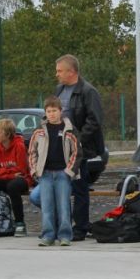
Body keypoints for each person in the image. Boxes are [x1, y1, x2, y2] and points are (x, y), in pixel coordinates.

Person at [54, 54, 104, 241]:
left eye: (60, 71)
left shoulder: (88, 91)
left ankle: (80, 228)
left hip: (81, 150)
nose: (57, 74)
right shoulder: (59, 90)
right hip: (60, 149)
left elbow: (94, 120)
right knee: (60, 188)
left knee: (80, 188)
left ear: (71, 71)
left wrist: (77, 141)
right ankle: (62, 225)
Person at [28, 97, 82, 246]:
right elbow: (32, 151)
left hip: (62, 174)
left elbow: (76, 152)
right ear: (45, 112)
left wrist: (68, 171)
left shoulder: (69, 129)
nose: (51, 114)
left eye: (54, 111)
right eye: (48, 111)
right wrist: (34, 170)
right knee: (47, 206)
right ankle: (48, 235)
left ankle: (65, 235)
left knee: (64, 206)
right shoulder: (39, 131)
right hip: (44, 174)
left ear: (61, 111)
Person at [0, 119, 32, 236]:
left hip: (22, 179)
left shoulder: (19, 146)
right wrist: (9, 173)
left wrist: (2, 172)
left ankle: (20, 223)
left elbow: (22, 170)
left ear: (7, 134)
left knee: (12, 186)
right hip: (7, 178)